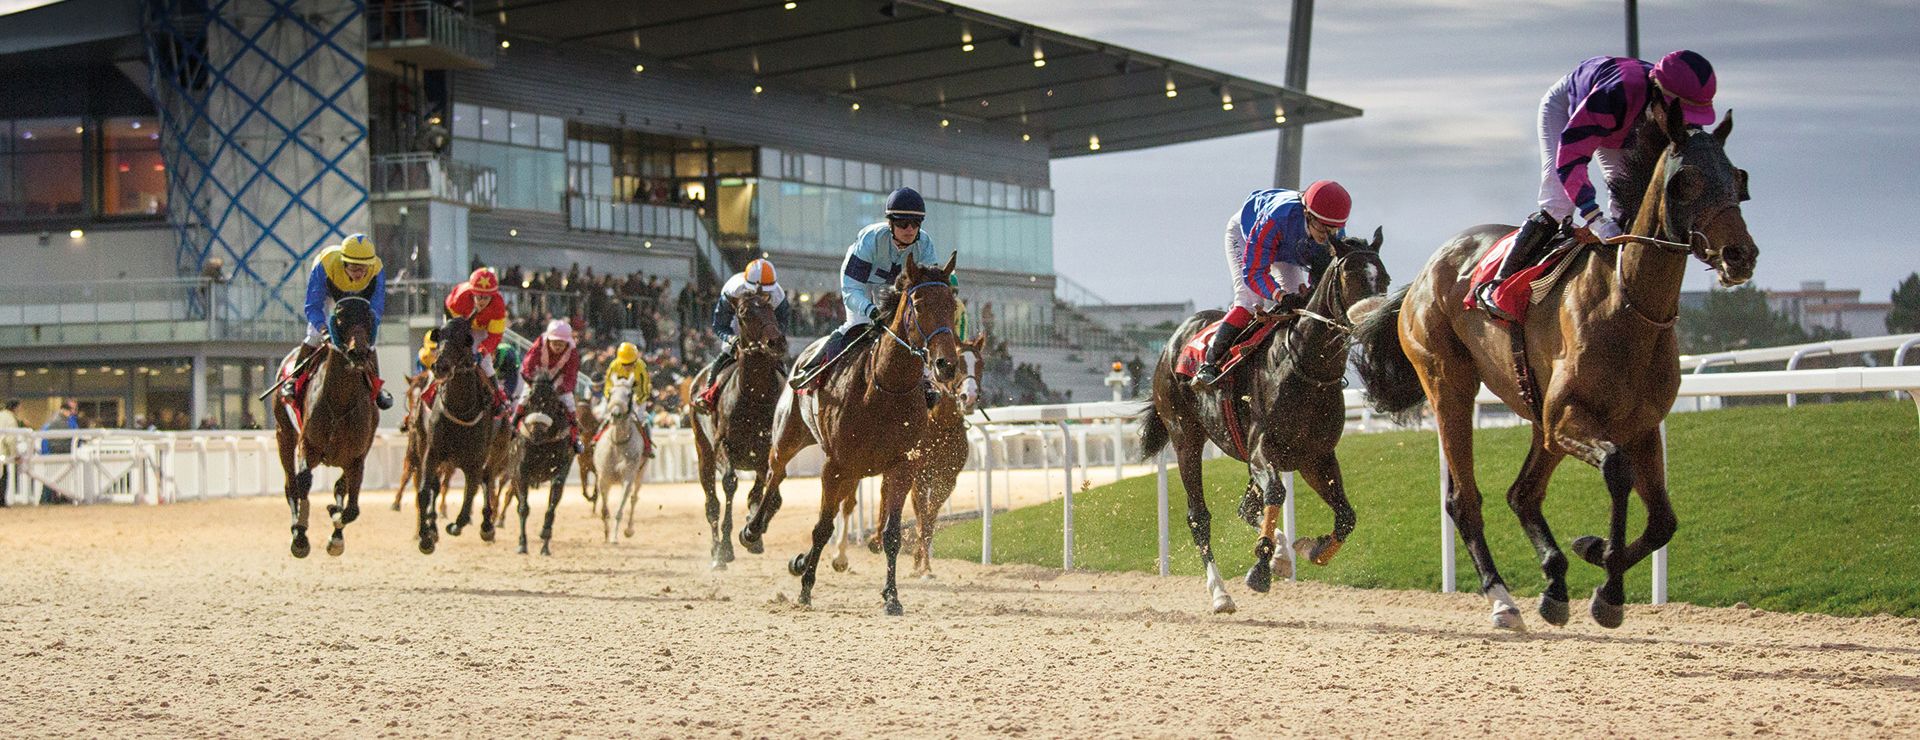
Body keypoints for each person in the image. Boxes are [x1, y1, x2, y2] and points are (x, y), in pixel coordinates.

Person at [1476, 50, 1719, 321]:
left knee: (1629, 210)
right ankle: (1497, 283)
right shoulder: (1613, 95)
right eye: (1680, 114)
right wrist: (1593, 217)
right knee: (1558, 202)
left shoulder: (1682, 114)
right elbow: (1570, 159)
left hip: (1623, 126)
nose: (1684, 123)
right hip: (1569, 109)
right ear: (1659, 93)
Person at [1192, 180, 1351, 387]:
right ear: (1307, 213)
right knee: (1249, 301)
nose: (1326, 235)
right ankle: (1210, 362)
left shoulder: (1333, 233)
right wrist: (1279, 295)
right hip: (1246, 235)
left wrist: (1311, 290)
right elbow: (1254, 273)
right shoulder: (1276, 218)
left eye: (1333, 229)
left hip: (1288, 249)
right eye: (1322, 227)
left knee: (1302, 306)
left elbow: (1323, 274)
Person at [791, 187, 941, 390]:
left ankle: (929, 381)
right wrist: (870, 309)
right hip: (862, 285)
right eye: (903, 223)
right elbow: (851, 291)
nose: (910, 229)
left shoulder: (925, 244)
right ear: (890, 223)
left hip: (894, 288)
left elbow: (931, 285)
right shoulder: (871, 239)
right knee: (859, 325)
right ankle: (814, 370)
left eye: (916, 223)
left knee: (914, 330)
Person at [283, 234, 393, 408]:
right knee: (313, 335)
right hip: (330, 292)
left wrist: (368, 326)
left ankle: (377, 388)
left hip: (359, 298)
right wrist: (323, 329)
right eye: (355, 268)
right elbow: (313, 306)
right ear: (344, 263)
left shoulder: (376, 269)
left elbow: (376, 307)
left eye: (364, 268)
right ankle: (293, 380)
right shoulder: (325, 265)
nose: (360, 273)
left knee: (369, 342)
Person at [691, 259, 789, 412]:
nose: (761, 298)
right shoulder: (732, 290)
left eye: (765, 295)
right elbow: (720, 325)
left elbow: (782, 323)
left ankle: (790, 399)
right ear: (750, 287)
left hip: (765, 330)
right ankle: (708, 394)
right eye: (758, 294)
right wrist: (732, 339)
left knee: (780, 363)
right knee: (724, 356)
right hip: (738, 326)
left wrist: (771, 338)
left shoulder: (778, 296)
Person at [444, 266, 511, 413]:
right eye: (478, 296)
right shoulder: (459, 299)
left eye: (486, 297)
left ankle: (498, 398)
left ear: (492, 296)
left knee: (486, 363)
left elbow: (494, 336)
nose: (482, 301)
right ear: (471, 293)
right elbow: (454, 323)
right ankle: (432, 390)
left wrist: (482, 351)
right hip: (460, 322)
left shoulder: (498, 307)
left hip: (482, 329)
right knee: (447, 352)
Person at [516, 319, 582, 453]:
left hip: (558, 382)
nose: (558, 347)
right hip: (538, 379)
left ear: (567, 343)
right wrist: (533, 382)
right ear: (549, 340)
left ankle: (575, 438)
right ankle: (513, 428)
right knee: (523, 398)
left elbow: (571, 375)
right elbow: (528, 365)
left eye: (561, 344)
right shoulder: (539, 343)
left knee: (569, 404)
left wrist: (562, 388)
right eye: (555, 343)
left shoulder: (572, 351)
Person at [0, 399, 22, 507]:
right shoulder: (10, 419)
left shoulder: (1, 415)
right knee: (3, 476)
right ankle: (1, 500)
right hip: (2, 452)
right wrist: (15, 455)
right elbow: (11, 440)